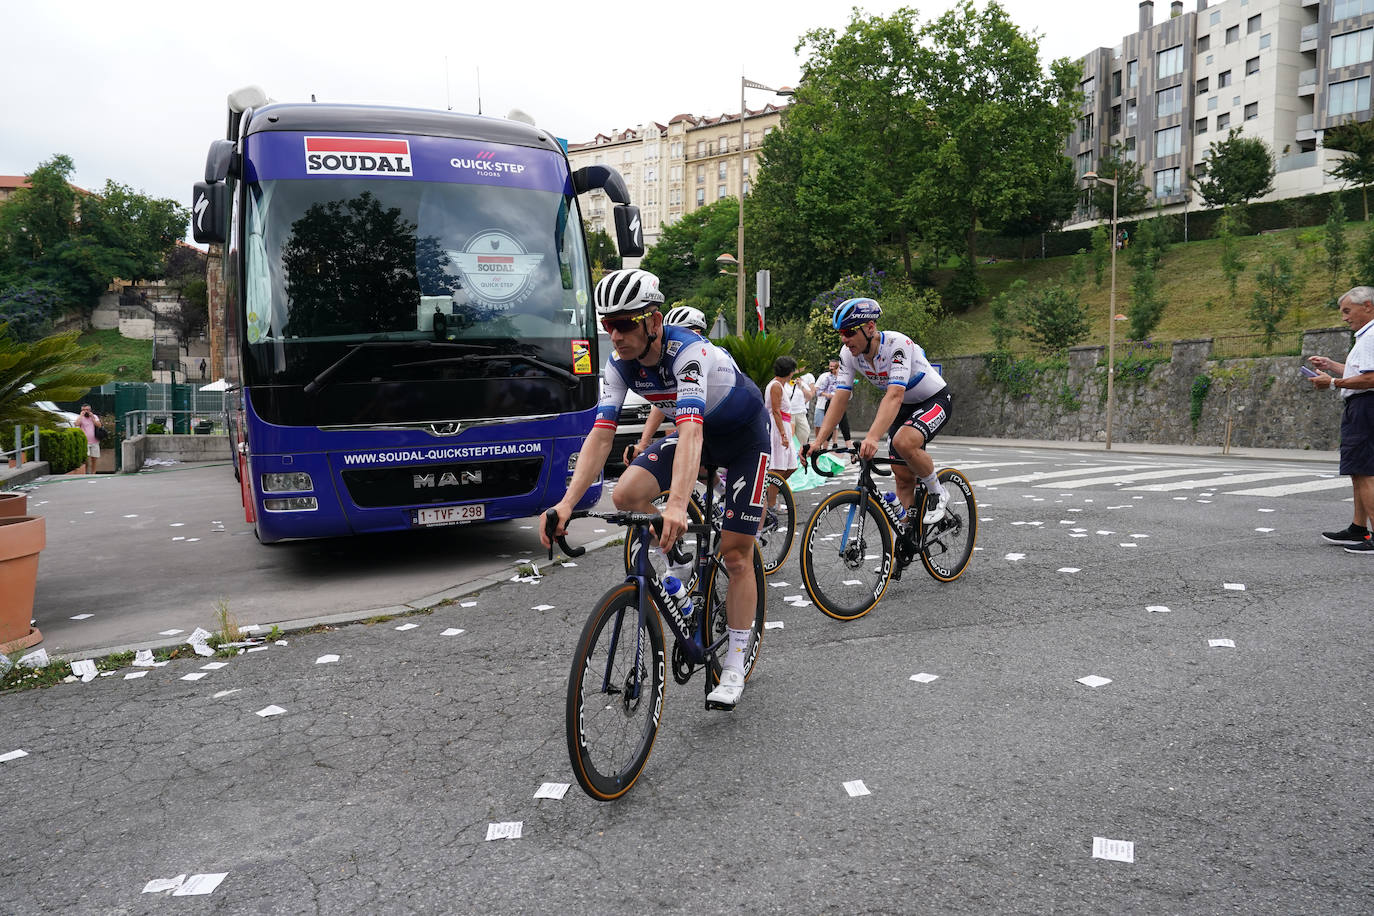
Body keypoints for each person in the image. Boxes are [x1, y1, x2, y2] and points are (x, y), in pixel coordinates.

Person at [543, 269, 771, 709]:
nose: (615, 335)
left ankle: (737, 663)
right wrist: (566, 504)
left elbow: (690, 433)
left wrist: (679, 505)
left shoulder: (687, 353)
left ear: (654, 320)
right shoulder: (620, 363)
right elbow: (602, 435)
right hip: (698, 434)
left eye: (625, 324)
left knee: (737, 552)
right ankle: (678, 572)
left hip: (743, 437)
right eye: (608, 325)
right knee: (626, 495)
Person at [807, 296, 952, 526]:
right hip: (903, 408)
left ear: (870, 327)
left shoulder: (897, 345)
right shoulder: (849, 355)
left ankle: (937, 491)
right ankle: (903, 544)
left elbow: (894, 394)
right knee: (902, 478)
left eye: (849, 332)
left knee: (904, 442)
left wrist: (873, 437)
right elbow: (840, 399)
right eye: (841, 334)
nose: (845, 340)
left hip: (933, 399)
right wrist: (818, 441)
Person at [1309, 286, 1374, 554]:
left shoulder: (1371, 337)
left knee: (1366, 472)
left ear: (1367, 306)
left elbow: (1371, 378)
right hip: (1362, 404)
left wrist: (1333, 381)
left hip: (1365, 405)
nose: (1344, 318)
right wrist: (1332, 366)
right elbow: (1360, 372)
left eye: (1348, 311)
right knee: (1359, 470)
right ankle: (1359, 528)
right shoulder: (1366, 336)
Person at [764, 356, 799, 519]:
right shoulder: (776, 386)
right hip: (778, 428)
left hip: (783, 426)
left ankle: (771, 494)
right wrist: (783, 435)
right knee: (778, 468)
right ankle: (771, 504)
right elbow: (776, 411)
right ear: (790, 372)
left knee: (791, 466)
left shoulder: (781, 386)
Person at [812, 357, 854, 452]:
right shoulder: (828, 378)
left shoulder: (845, 379)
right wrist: (829, 395)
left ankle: (852, 452)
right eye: (839, 369)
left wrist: (846, 394)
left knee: (845, 427)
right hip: (830, 403)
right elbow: (819, 391)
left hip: (841, 403)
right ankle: (823, 450)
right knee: (829, 427)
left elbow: (850, 394)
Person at [786, 362, 816, 451]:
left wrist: (801, 386)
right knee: (790, 436)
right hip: (789, 413)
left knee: (804, 433)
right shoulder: (784, 383)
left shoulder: (802, 383)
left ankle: (802, 453)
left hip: (800, 413)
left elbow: (810, 396)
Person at [75, 405, 103, 474]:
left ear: (90, 410)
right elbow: (76, 424)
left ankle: (93, 473)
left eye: (87, 410)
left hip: (94, 441)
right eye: (84, 410)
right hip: (85, 442)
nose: (86, 411)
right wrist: (81, 416)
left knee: (94, 458)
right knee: (86, 459)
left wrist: (93, 418)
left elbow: (99, 425)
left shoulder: (94, 416)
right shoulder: (80, 418)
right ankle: (87, 472)